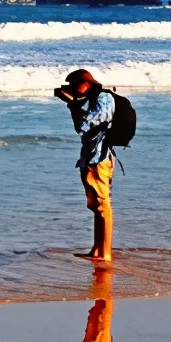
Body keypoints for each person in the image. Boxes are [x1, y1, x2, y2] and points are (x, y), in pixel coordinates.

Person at [54, 69, 116, 261]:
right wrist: (73, 105)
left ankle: (104, 253)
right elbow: (80, 128)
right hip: (91, 158)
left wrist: (73, 103)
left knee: (103, 205)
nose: (72, 90)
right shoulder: (92, 99)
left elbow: (85, 125)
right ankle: (97, 249)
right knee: (96, 207)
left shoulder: (104, 97)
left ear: (86, 82)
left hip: (100, 158)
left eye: (75, 85)